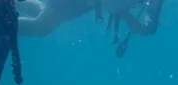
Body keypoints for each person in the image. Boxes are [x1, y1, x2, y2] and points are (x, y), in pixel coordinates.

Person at [18, 0, 163, 56]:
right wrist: (128, 17)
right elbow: (113, 5)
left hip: (85, 4)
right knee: (42, 26)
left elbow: (149, 25)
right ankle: (3, 22)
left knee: (47, 14)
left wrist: (146, 26)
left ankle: (10, 5)